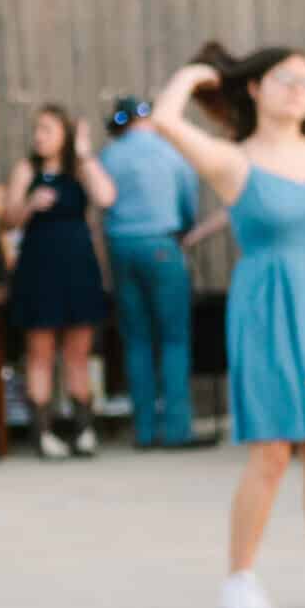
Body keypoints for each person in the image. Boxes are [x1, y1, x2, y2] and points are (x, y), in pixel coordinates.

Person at [151, 43, 305, 608]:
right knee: (272, 449)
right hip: (268, 309)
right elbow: (162, 120)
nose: (300, 89)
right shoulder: (235, 161)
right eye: (286, 78)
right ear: (256, 88)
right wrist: (194, 74)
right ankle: (239, 578)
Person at [97, 95, 214, 450]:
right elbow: (187, 204)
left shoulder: (109, 155)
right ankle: (177, 429)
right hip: (162, 246)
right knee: (174, 339)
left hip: (121, 248)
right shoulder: (169, 153)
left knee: (136, 340)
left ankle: (144, 430)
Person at [2, 105, 116, 457]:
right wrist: (30, 205)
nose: (39, 136)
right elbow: (8, 219)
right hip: (39, 268)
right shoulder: (26, 170)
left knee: (79, 352)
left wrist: (84, 153)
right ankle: (43, 431)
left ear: (65, 134)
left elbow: (106, 197)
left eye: (48, 129)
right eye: (37, 129)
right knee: (40, 352)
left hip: (78, 266)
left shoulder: (79, 170)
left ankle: (84, 429)